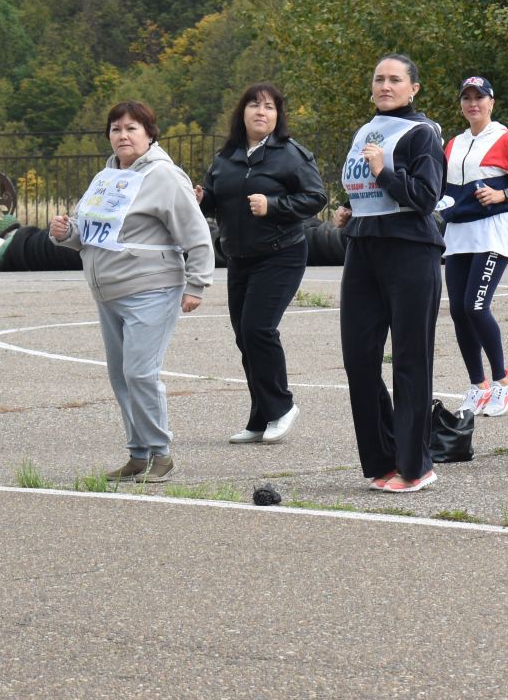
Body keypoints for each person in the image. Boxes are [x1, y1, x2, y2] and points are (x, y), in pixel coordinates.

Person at [51, 102, 215, 484]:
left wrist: (197, 284)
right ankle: (137, 454)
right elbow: (94, 235)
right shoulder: (105, 178)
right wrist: (67, 233)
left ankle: (161, 454)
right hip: (108, 291)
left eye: (132, 128)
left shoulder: (164, 176)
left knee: (141, 372)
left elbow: (196, 231)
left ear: (150, 134)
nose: (123, 135)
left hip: (151, 287)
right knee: (121, 376)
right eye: (115, 129)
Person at [333, 54, 447, 494]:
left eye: (395, 79)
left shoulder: (422, 133)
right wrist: (351, 212)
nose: (385, 85)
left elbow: (424, 197)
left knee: (410, 360)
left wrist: (384, 171)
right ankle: (383, 459)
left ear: (413, 87)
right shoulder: (366, 130)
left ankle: (416, 466)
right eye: (379, 78)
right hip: (364, 247)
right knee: (359, 359)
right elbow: (363, 192)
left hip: (410, 250)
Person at [197, 83, 326, 446]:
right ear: (242, 113)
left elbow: (316, 197)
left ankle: (282, 407)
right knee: (245, 338)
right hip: (239, 258)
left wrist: (274, 206)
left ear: (278, 116)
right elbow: (214, 202)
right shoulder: (226, 157)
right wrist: (201, 198)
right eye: (254, 105)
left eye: (269, 107)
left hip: (281, 253)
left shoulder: (291, 155)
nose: (261, 112)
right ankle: (260, 417)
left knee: (258, 330)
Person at [440, 75, 508, 419]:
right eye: (467, 98)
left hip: (492, 233)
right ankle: (477, 386)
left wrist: (502, 194)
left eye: (479, 98)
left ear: (491, 103)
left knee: (475, 306)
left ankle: (503, 381)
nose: (473, 103)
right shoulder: (452, 144)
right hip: (458, 235)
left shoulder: (506, 139)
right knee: (457, 311)